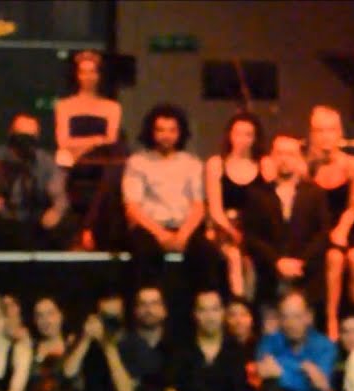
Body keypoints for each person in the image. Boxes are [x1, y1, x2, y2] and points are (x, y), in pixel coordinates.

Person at [122, 104, 222, 298]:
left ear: (180, 132)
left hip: (185, 228)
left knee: (208, 255)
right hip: (150, 229)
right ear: (151, 132)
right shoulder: (137, 162)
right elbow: (132, 207)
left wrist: (183, 235)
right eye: (160, 130)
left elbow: (199, 206)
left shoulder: (192, 163)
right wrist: (161, 235)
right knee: (144, 255)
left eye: (172, 130)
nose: (166, 135)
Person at [243, 132, 333, 309]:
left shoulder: (315, 194)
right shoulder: (257, 194)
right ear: (271, 157)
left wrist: (300, 262)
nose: (284, 159)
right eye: (279, 153)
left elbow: (323, 234)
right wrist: (276, 262)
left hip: (307, 279)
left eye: (290, 154)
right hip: (269, 278)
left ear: (300, 158)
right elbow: (251, 236)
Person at [161, 290, 251, 391]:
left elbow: (240, 388)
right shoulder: (183, 348)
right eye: (203, 310)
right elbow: (171, 382)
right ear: (196, 315)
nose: (210, 317)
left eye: (215, 310)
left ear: (223, 313)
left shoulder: (234, 349)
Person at [255, 290, 340, 391]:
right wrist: (302, 370)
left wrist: (282, 372)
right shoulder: (270, 341)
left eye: (296, 316)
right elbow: (264, 371)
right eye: (285, 317)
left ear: (308, 317)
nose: (290, 323)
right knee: (271, 389)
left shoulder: (324, 346)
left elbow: (317, 386)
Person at [308, 106, 354, 341]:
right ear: (313, 134)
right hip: (316, 229)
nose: (325, 136)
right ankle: (331, 319)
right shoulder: (307, 166)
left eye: (331, 130)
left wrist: (342, 229)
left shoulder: (353, 165)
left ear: (339, 132)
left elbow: (353, 206)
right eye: (320, 130)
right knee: (334, 258)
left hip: (342, 225)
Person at [0, 113, 72, 250]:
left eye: (29, 138)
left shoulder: (44, 161)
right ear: (11, 135)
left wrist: (56, 211)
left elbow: (59, 195)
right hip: (5, 222)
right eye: (20, 137)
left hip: (37, 222)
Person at [205, 111, 270, 300]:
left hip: (254, 229)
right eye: (238, 133)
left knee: (252, 261)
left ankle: (250, 308)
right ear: (229, 135)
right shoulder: (216, 164)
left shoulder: (264, 165)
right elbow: (215, 210)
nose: (242, 139)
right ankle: (238, 301)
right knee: (234, 257)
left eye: (248, 134)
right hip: (225, 227)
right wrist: (233, 232)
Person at [54, 50, 121, 170]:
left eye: (92, 72)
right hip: (70, 163)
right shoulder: (64, 105)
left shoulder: (112, 107)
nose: (88, 77)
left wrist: (78, 144)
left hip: (103, 163)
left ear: (99, 75)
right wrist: (97, 140)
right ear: (76, 75)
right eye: (83, 72)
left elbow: (111, 140)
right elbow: (62, 142)